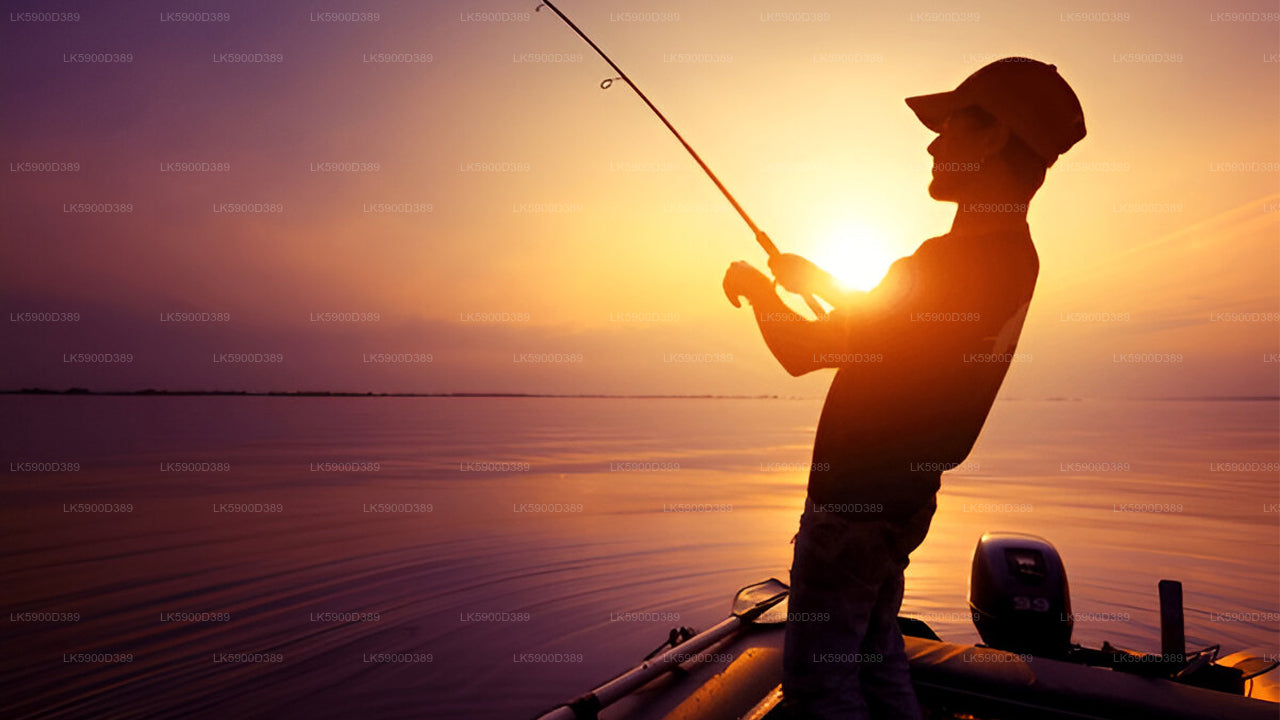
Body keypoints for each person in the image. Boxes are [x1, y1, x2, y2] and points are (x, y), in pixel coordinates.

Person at [721, 57, 1086, 719]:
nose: (933, 142)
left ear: (995, 137)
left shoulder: (950, 264)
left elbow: (807, 351)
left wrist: (755, 288)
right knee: (876, 660)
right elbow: (900, 330)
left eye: (951, 127)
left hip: (852, 512)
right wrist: (820, 283)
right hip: (902, 506)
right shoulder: (1010, 256)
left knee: (819, 689)